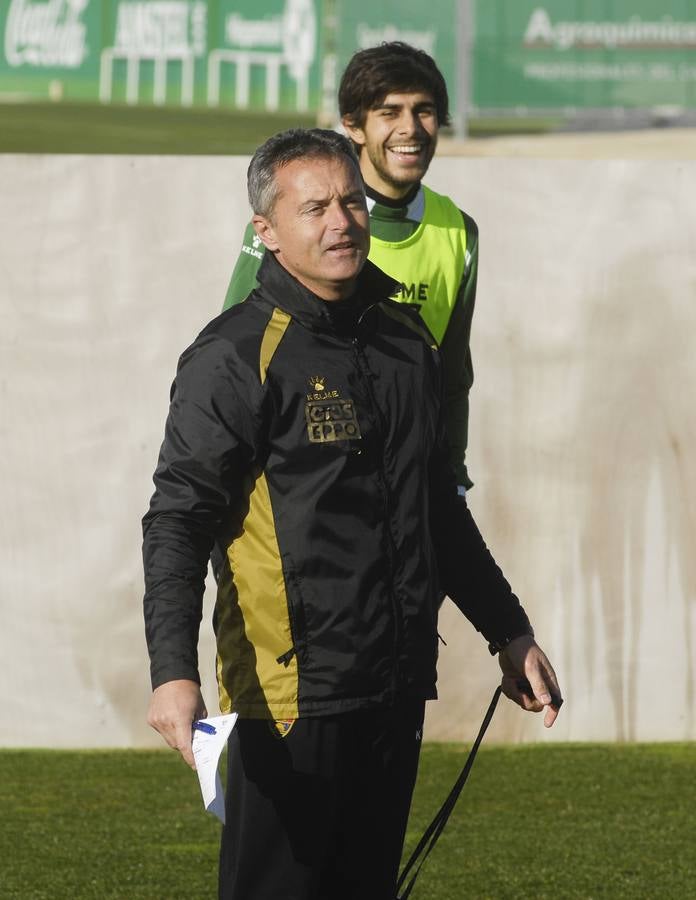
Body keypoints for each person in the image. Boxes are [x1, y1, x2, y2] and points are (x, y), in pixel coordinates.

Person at [143, 128, 562, 900]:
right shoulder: (232, 356)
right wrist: (172, 672)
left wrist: (510, 631)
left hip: (396, 683)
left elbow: (438, 505)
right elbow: (177, 519)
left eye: (351, 201)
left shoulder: (407, 344)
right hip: (290, 699)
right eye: (315, 209)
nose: (342, 221)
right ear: (265, 231)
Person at [223, 42, 478, 491]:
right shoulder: (292, 220)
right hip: (302, 476)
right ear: (353, 126)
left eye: (424, 110)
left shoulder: (458, 230)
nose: (410, 128)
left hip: (406, 479)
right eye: (389, 112)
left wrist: (452, 476)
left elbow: (452, 378)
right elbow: (237, 360)